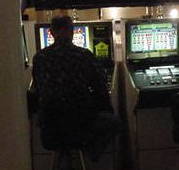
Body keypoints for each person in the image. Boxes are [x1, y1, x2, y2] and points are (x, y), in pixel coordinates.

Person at [32, 15, 120, 162]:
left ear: (51, 32)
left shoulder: (39, 58)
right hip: (80, 126)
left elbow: (38, 88)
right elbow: (101, 85)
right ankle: (87, 154)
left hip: (50, 128)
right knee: (113, 121)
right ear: (72, 31)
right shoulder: (83, 55)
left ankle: (68, 160)